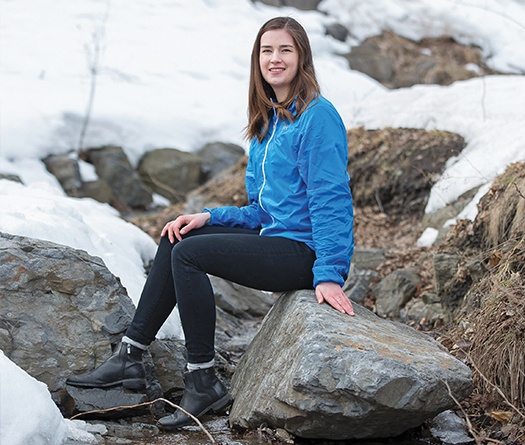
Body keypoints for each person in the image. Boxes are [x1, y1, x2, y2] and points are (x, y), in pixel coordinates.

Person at [66, 16, 354, 431]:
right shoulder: (266, 123)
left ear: (302, 57)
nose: (274, 59)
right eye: (266, 50)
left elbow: (331, 200)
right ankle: (129, 357)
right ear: (257, 60)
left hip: (304, 252)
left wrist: (329, 273)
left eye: (285, 50)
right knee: (178, 234)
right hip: (275, 235)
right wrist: (209, 216)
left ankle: (202, 379)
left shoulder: (317, 117)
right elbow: (261, 211)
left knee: (190, 255)